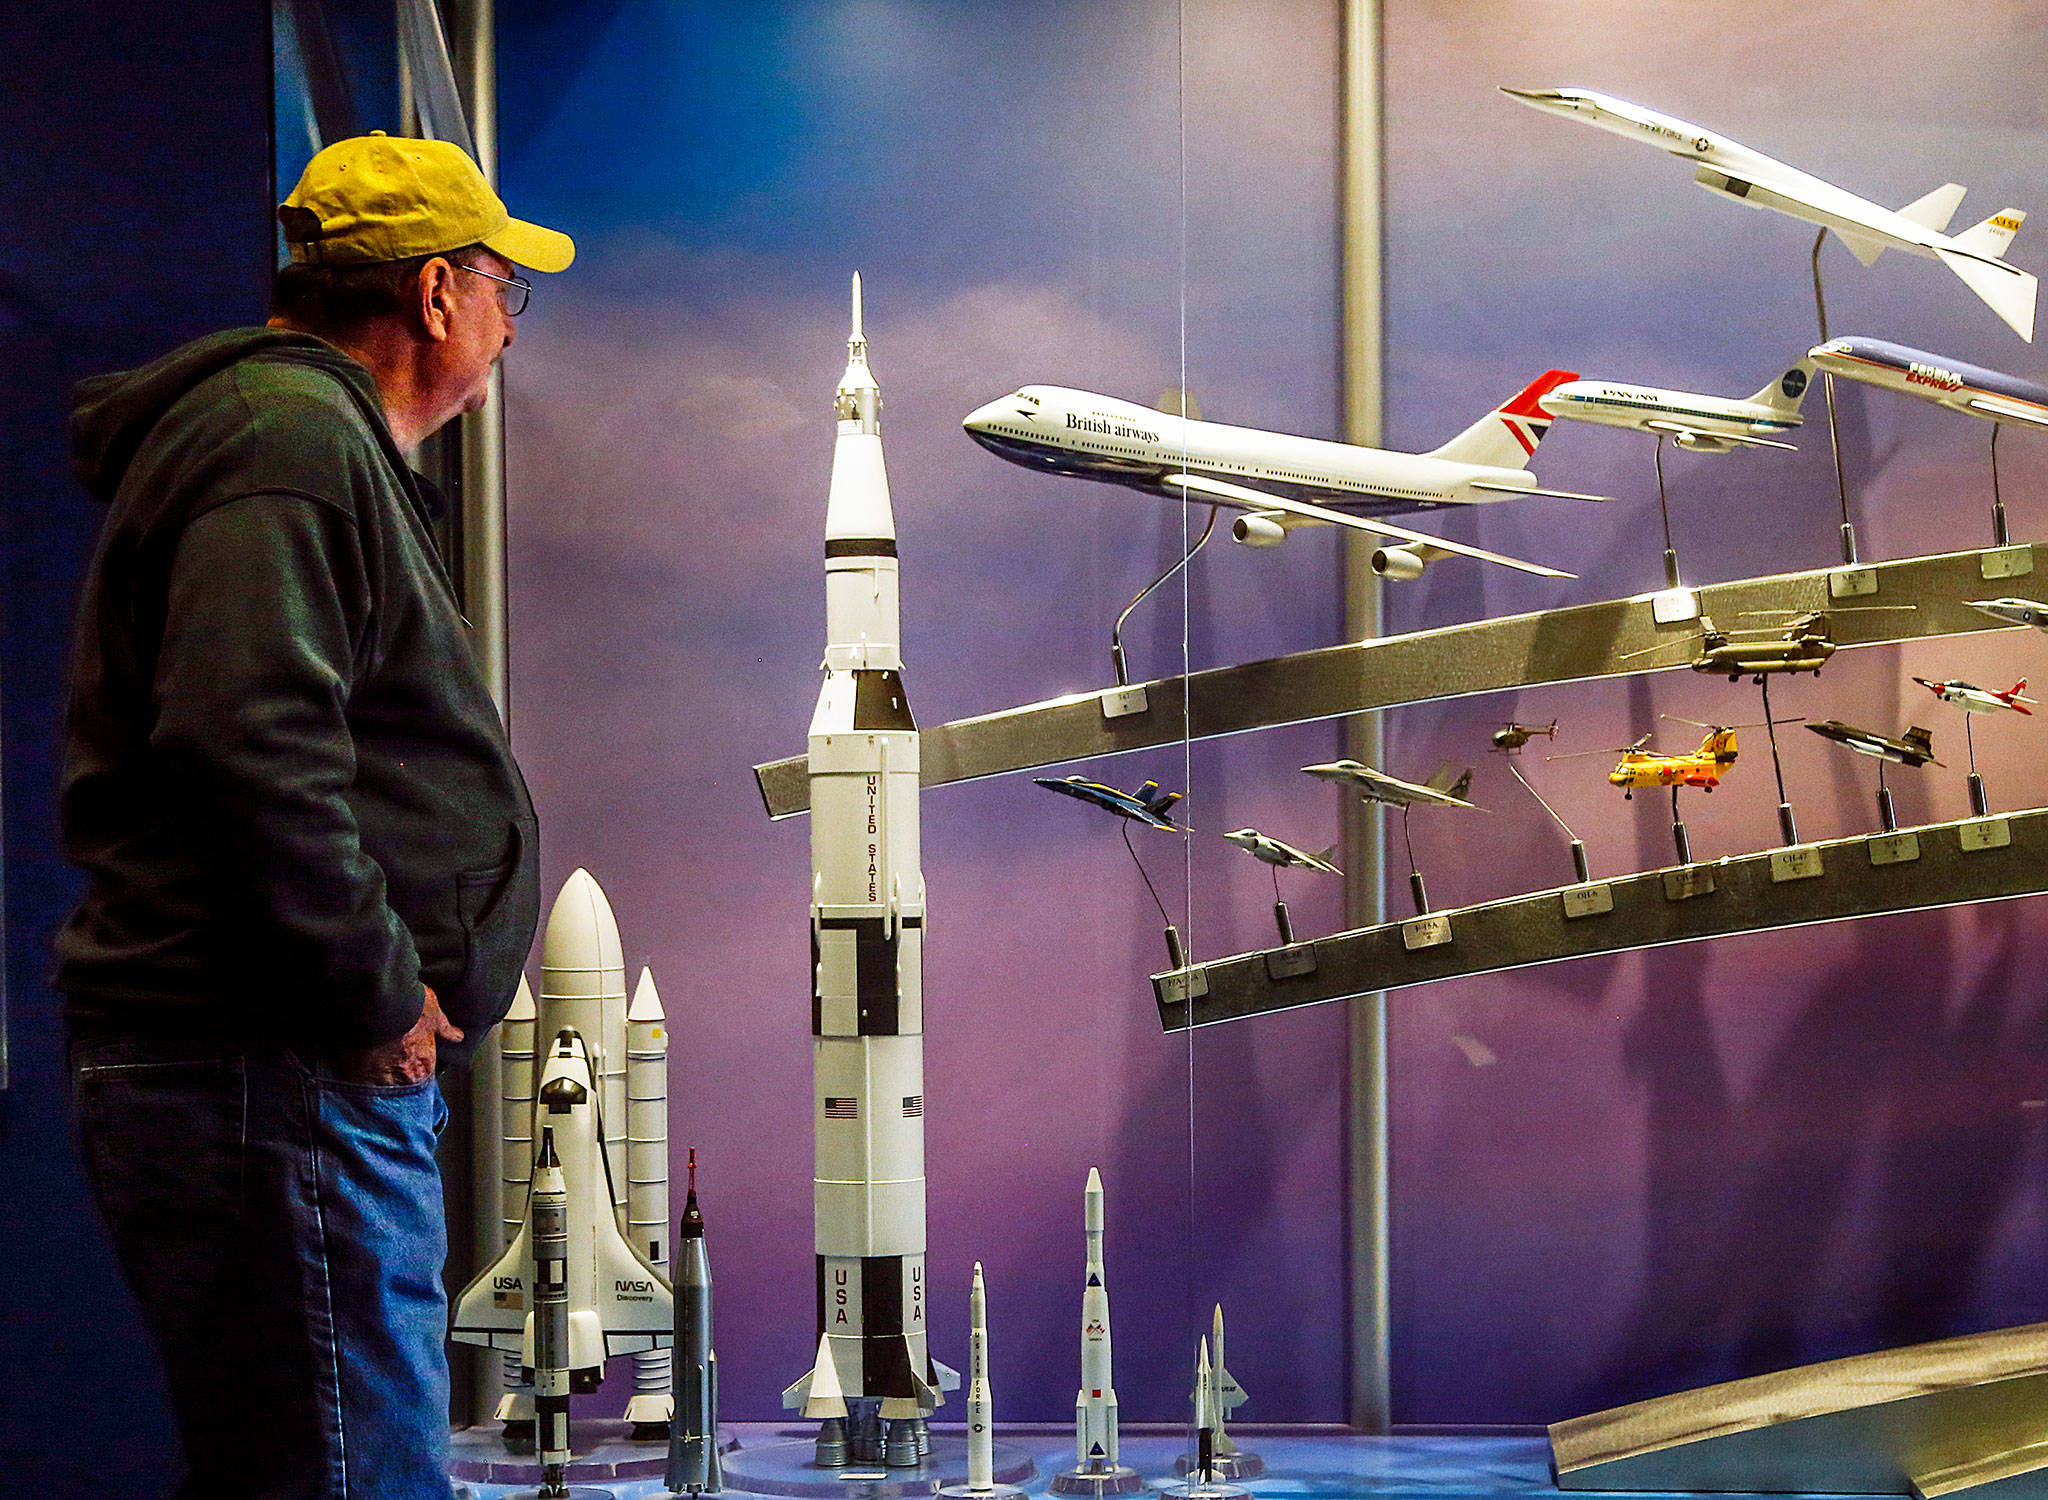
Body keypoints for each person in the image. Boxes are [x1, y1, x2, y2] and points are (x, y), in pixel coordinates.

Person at [57, 133, 572, 1500]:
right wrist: (370, 991)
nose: (510, 327)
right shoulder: (285, 442)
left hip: (278, 1076)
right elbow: (250, 739)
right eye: (505, 292)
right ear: (435, 293)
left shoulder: (295, 440)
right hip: (279, 1071)